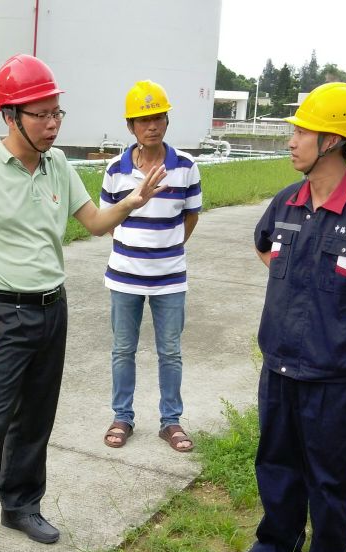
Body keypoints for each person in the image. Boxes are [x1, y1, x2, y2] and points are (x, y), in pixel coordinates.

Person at [0, 54, 167, 552]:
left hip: (51, 308)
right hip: (1, 313)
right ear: (9, 116)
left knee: (37, 418)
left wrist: (132, 201)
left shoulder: (58, 165)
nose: (53, 123)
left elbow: (92, 222)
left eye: (56, 112)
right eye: (41, 114)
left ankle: (21, 504)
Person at [221, 82, 346, 552]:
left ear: (331, 140)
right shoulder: (287, 202)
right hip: (279, 370)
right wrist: (296, 280)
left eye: (302, 131)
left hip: (332, 382)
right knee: (275, 466)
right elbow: (263, 243)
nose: (291, 140)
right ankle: (275, 549)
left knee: (330, 483)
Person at [100, 80, 201, 452]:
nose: (152, 125)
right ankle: (122, 416)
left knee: (170, 351)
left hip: (170, 279)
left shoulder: (187, 167)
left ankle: (170, 420)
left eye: (158, 117)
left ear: (167, 120)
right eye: (143, 120)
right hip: (125, 277)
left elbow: (191, 216)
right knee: (123, 350)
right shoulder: (115, 169)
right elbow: (107, 216)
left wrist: (166, 248)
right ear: (131, 126)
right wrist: (133, 248)